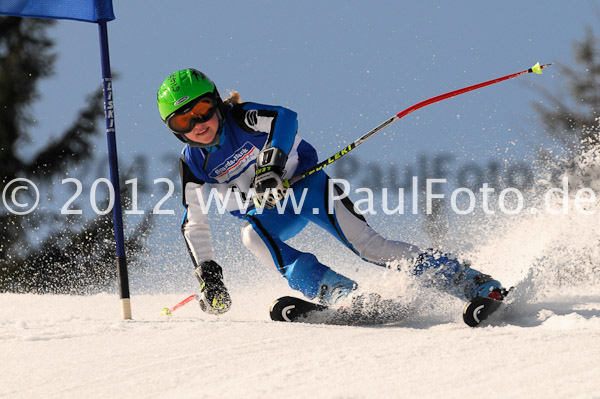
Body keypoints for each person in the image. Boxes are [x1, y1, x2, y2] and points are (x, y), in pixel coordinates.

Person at [156, 68, 508, 315]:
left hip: (307, 187)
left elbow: (285, 117)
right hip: (270, 216)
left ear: (217, 103)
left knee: (371, 247)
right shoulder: (193, 164)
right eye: (183, 121)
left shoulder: (241, 117)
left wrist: (272, 166)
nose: (198, 124)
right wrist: (208, 274)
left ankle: (471, 281)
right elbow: (194, 222)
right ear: (175, 131)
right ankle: (338, 293)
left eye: (202, 110)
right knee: (252, 237)